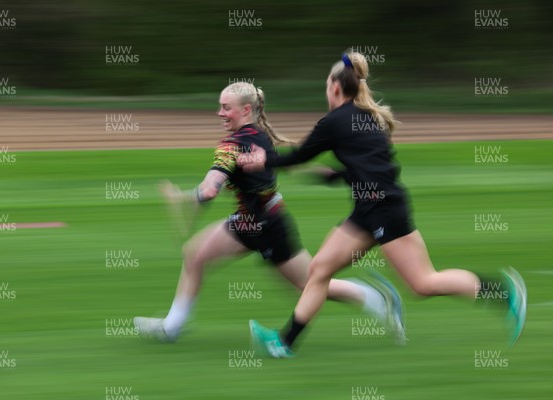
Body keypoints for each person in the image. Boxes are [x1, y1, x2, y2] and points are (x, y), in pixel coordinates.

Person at [240, 51, 527, 358]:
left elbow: (298, 156)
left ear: (336, 87)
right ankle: (285, 344)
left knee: (423, 284)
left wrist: (263, 160)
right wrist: (339, 176)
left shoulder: (335, 121)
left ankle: (503, 292)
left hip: (384, 210)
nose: (326, 91)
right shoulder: (365, 115)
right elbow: (370, 164)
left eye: (327, 86)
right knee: (320, 269)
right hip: (369, 210)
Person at [133, 81, 406, 343]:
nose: (220, 113)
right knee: (194, 254)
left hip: (267, 228)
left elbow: (210, 189)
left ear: (246, 110)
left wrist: (188, 196)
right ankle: (172, 327)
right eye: (220, 106)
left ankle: (373, 297)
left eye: (226, 107)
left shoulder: (230, 146)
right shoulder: (260, 135)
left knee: (308, 284)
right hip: (251, 222)